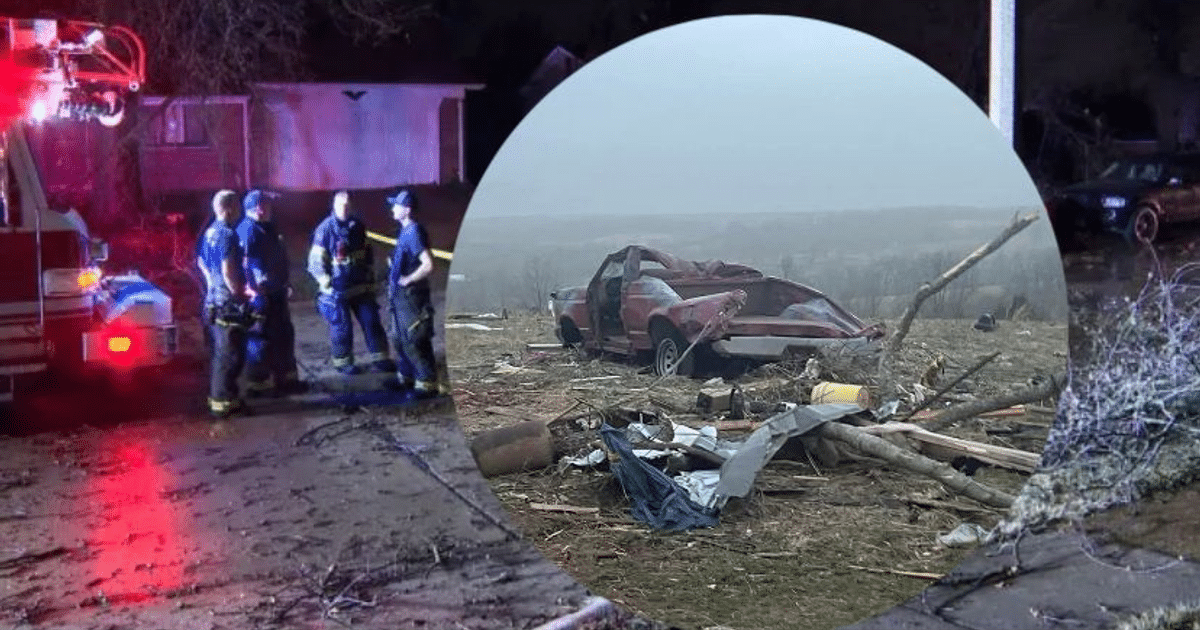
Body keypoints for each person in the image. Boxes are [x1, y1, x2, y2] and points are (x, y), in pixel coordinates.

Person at [307, 190, 393, 375]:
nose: (345, 209)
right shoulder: (325, 229)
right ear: (334, 206)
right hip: (337, 290)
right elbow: (315, 262)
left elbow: (367, 253)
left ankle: (381, 359)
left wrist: (371, 277)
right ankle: (343, 362)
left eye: (347, 206)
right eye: (341, 206)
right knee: (342, 327)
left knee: (371, 321)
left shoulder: (358, 226)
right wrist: (325, 282)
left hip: (360, 286)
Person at [238, 189, 306, 397]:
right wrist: (255, 290)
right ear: (258, 208)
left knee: (283, 335)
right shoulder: (248, 231)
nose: (270, 208)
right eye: (267, 205)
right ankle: (259, 385)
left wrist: (285, 283)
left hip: (276, 291)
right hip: (262, 295)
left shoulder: (267, 227)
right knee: (260, 338)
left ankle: (286, 380)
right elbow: (246, 264)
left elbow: (278, 258)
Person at [198, 189, 252, 418]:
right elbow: (228, 271)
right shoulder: (228, 235)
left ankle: (227, 398)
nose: (240, 211)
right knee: (231, 355)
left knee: (222, 353)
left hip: (213, 301)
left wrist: (212, 285)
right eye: (238, 206)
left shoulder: (210, 232)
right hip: (227, 304)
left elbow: (201, 261)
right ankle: (223, 403)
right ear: (230, 208)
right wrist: (240, 292)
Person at [383, 188, 439, 398]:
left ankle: (426, 383)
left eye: (396, 206)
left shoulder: (414, 232)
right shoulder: (405, 232)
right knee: (399, 338)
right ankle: (406, 377)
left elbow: (427, 265)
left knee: (414, 338)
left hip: (411, 299)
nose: (393, 209)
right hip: (400, 298)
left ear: (406, 209)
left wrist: (408, 279)